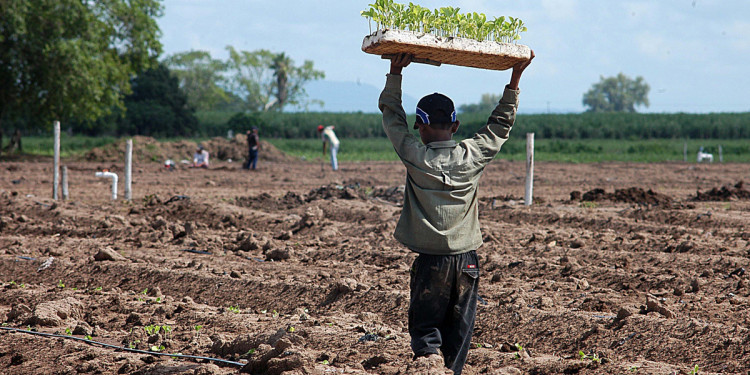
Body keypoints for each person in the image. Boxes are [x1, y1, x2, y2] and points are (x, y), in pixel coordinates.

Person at [379, 51, 534, 375]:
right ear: (455, 125)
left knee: (425, 330)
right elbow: (500, 124)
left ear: (419, 126)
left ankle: (429, 365)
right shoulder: (471, 155)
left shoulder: (416, 156)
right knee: (460, 331)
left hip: (431, 261)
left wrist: (395, 71)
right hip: (467, 261)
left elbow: (392, 117)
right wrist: (515, 77)